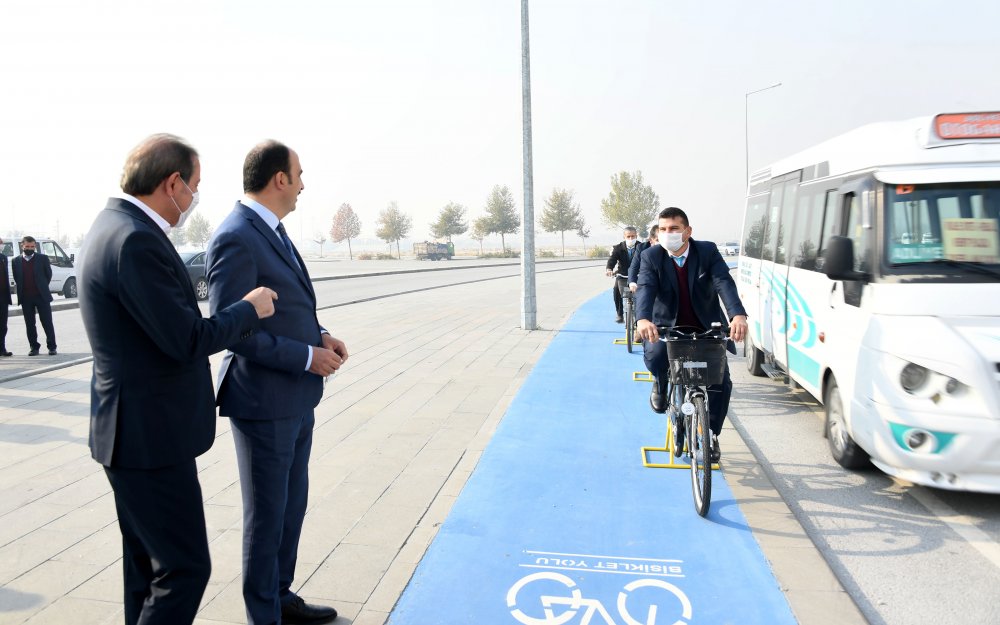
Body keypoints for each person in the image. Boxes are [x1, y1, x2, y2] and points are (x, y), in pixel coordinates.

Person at [78, 133, 278, 625]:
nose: (192, 201)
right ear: (171, 184)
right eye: (193, 188)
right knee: (185, 570)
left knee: (145, 570)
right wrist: (247, 309)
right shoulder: (136, 240)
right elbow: (187, 338)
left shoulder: (109, 226)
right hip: (149, 438)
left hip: (130, 432)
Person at [206, 140, 347, 625]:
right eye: (300, 174)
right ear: (279, 179)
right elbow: (234, 328)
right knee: (266, 518)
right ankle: (262, 615)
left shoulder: (273, 231)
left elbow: (286, 307)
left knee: (290, 509)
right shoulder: (235, 236)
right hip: (262, 400)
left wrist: (321, 336)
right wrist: (306, 356)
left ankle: (281, 597)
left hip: (294, 397)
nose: (304, 183)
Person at [635, 207, 748, 462]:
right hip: (665, 326)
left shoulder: (706, 251)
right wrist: (643, 318)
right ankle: (661, 383)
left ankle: (712, 433)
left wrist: (737, 315)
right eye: (663, 229)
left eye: (674, 229)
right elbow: (645, 288)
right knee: (655, 357)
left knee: (720, 381)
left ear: (687, 231)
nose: (667, 234)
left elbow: (723, 282)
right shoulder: (652, 256)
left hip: (705, 326)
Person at [11, 235, 57, 355]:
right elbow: (17, 278)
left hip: (41, 296)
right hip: (26, 297)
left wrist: (41, 286)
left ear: (35, 246)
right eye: (27, 246)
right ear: (22, 246)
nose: (30, 248)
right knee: (30, 324)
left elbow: (48, 275)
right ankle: (34, 347)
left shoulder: (42, 258)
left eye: (32, 246)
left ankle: (52, 346)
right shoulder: (15, 261)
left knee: (47, 322)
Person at [604, 226, 639, 323]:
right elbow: (612, 259)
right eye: (628, 236)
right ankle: (619, 314)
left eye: (633, 236)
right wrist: (609, 269)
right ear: (624, 237)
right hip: (622, 275)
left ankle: (641, 315)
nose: (631, 239)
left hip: (638, 275)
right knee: (616, 290)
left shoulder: (642, 247)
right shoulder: (618, 248)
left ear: (637, 235)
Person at [628, 225, 658, 293]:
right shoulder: (642, 248)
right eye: (657, 240)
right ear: (651, 240)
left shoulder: (669, 247)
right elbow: (633, 267)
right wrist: (632, 283)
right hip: (646, 282)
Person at [0, 238, 11, 357]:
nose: (1, 246)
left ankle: (2, 348)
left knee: (3, 325)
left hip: (3, 296)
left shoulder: (3, 258)